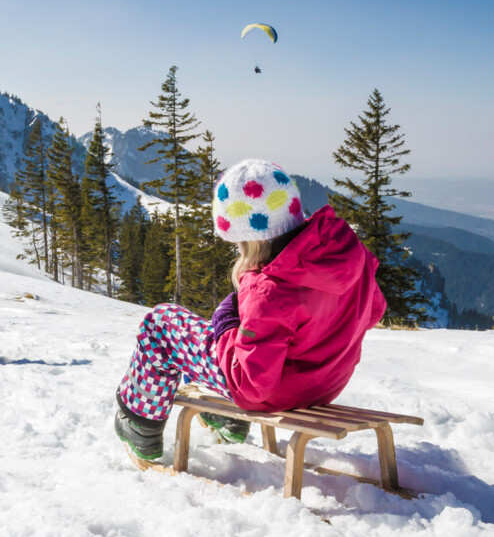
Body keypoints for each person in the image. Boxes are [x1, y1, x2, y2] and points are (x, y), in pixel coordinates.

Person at [114, 159, 387, 461]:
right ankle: (227, 419)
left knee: (162, 323)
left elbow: (250, 383)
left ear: (249, 237)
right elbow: (374, 311)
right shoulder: (347, 256)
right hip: (326, 383)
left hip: (276, 392)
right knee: (216, 335)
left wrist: (226, 323)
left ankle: (140, 423)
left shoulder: (269, 289)